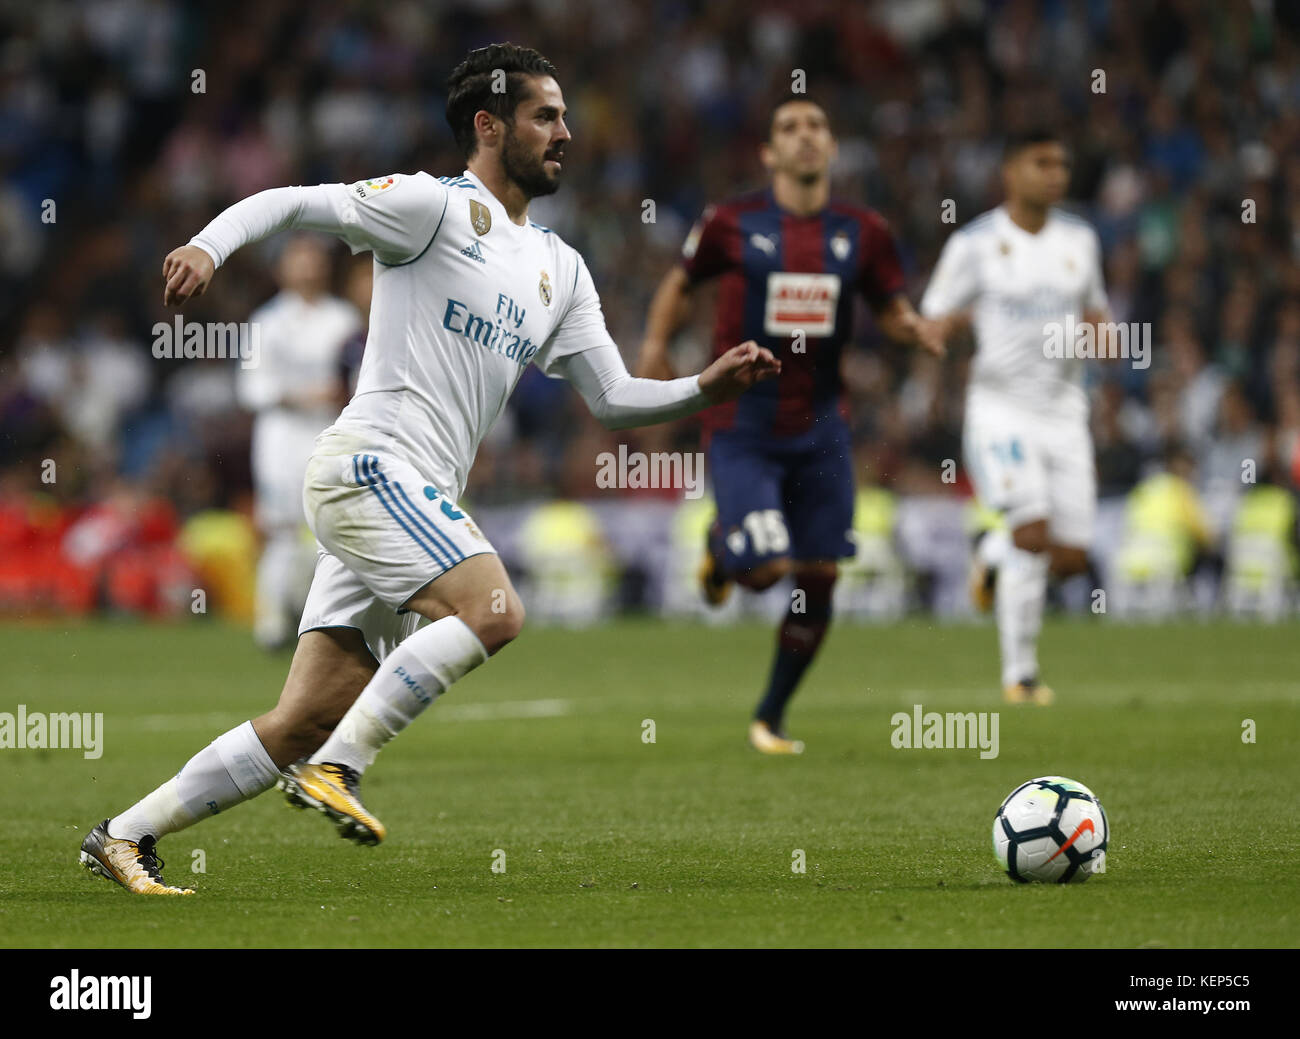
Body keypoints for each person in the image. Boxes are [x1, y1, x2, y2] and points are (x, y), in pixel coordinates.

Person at [79, 43, 779, 895]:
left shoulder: (562, 269)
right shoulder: (430, 209)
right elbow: (296, 200)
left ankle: (126, 834)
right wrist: (206, 245)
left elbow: (616, 396)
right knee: (494, 607)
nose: (566, 132)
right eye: (545, 116)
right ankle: (341, 768)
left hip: (411, 496)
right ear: (489, 125)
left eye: (564, 116)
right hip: (368, 465)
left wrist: (705, 386)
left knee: (302, 715)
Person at [637, 96, 944, 754]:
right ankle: (725, 549)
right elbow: (680, 280)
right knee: (769, 568)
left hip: (823, 426)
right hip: (743, 424)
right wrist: (655, 344)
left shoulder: (864, 231)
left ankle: (770, 716)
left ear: (832, 148)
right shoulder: (731, 221)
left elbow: (888, 306)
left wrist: (910, 327)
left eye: (816, 126)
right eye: (789, 129)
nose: (804, 137)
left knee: (821, 578)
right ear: (769, 153)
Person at [920, 129, 1110, 705]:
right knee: (1031, 531)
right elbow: (934, 315)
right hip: (1001, 409)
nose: (1055, 173)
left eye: (1061, 163)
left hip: (1064, 412)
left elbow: (1097, 310)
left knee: (1072, 558)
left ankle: (989, 553)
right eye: (1041, 162)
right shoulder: (975, 243)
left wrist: (1105, 338)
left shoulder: (1081, 239)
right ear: (1010, 171)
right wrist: (944, 331)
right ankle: (1021, 676)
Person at [239, 235, 360, 650]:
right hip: (281, 435)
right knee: (282, 528)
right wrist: (304, 394)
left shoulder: (344, 319)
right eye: (298, 257)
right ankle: (272, 621)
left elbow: (362, 377)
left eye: (314, 257)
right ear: (281, 269)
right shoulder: (266, 322)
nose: (308, 265)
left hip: (332, 430)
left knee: (336, 529)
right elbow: (252, 389)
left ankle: (324, 618)